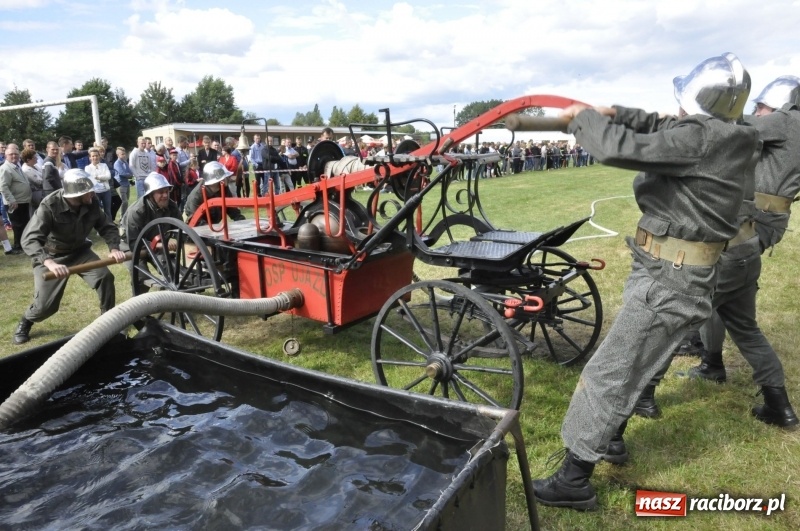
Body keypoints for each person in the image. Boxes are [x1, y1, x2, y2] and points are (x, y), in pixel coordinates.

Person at [530, 53, 759, 510]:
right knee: (639, 361)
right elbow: (662, 124)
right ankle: (610, 439)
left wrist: (585, 119)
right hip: (671, 271)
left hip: (669, 278)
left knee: (611, 370)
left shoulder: (700, 139)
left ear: (694, 106)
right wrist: (619, 112)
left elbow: (618, 148)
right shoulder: (731, 134)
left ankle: (574, 479)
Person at [13, 168, 125, 344]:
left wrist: (113, 248)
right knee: (45, 307)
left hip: (80, 251)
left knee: (105, 277)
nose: (92, 194)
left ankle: (107, 320)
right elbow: (29, 239)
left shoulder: (91, 201)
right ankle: (26, 321)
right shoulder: (49, 205)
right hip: (52, 256)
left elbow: (107, 226)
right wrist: (49, 263)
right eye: (88, 191)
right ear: (76, 194)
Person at [120, 172, 183, 292]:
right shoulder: (137, 211)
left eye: (167, 191)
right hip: (131, 245)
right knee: (141, 277)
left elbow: (181, 228)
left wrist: (176, 238)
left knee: (173, 270)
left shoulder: (172, 206)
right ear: (150, 195)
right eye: (160, 192)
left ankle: (173, 300)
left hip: (158, 244)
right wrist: (159, 245)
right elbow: (133, 242)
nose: (165, 195)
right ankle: (140, 307)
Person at [184, 161, 245, 225]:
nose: (228, 178)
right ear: (215, 181)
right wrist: (214, 232)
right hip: (195, 229)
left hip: (213, 227)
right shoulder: (196, 196)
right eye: (224, 177)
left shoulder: (223, 188)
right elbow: (196, 221)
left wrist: (243, 223)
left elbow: (233, 210)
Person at [0, 144, 33, 253]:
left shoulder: (16, 166)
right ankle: (18, 246)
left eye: (16, 154)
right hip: (15, 202)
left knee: (24, 223)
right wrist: (12, 200)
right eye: (11, 154)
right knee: (18, 225)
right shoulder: (5, 168)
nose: (14, 156)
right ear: (5, 155)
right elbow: (3, 187)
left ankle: (23, 244)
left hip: (23, 201)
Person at [84, 147, 113, 220]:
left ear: (99, 156)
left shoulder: (104, 165)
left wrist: (97, 177)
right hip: (95, 192)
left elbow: (108, 176)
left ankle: (110, 226)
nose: (95, 157)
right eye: (93, 156)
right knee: (97, 211)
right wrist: (102, 177)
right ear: (90, 157)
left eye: (96, 155)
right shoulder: (87, 168)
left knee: (108, 211)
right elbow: (90, 179)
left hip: (106, 191)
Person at [113, 147, 133, 219]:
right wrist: (129, 175)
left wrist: (130, 175)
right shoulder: (117, 163)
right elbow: (122, 173)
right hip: (121, 184)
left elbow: (130, 171)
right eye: (122, 154)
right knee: (123, 202)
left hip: (126, 184)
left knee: (126, 201)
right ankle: (122, 217)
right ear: (118, 154)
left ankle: (125, 215)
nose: (124, 155)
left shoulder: (125, 162)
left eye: (124, 154)